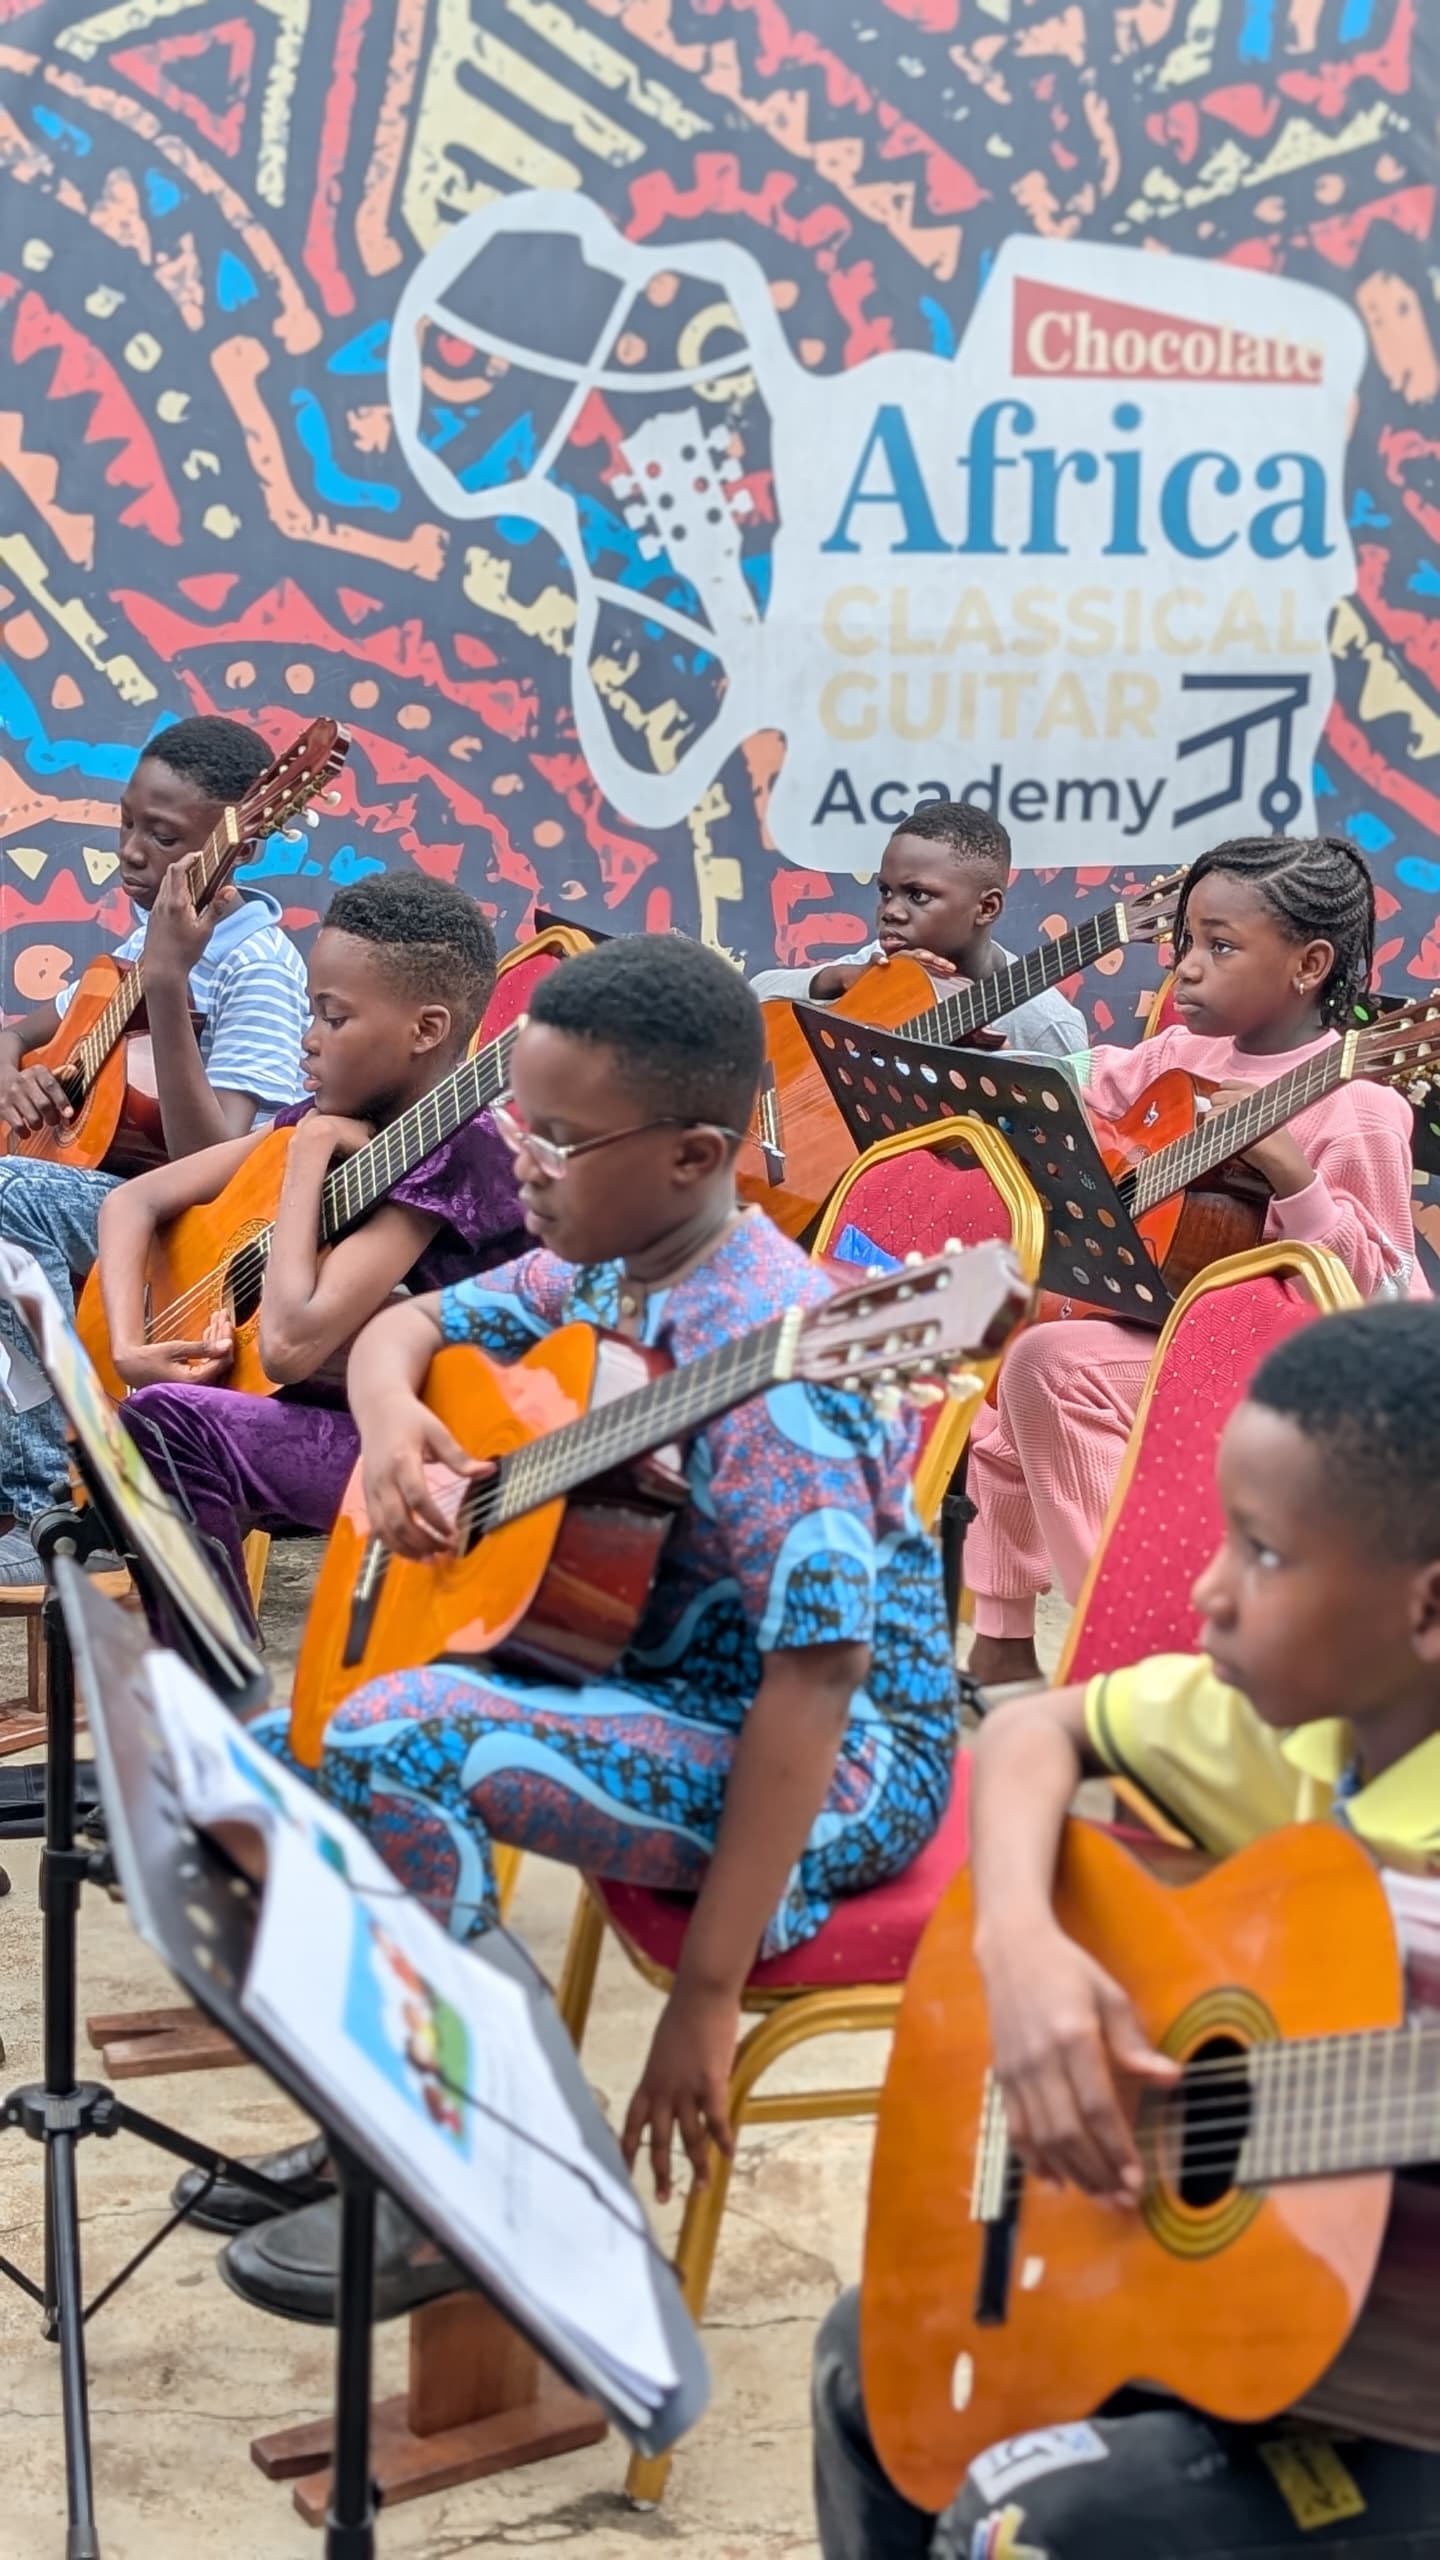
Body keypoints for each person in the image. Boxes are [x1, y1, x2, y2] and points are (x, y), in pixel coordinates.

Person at [189, 935, 959, 2320]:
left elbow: (817, 1679)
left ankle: (487, 2164)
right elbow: (406, 1330)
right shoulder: (613, 1262)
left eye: (556, 1139)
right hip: (664, 1677)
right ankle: (392, 2104)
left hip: (838, 1761)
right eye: (518, 1128)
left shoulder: (780, 1373)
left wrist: (706, 1995)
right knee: (275, 1755)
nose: (523, 1167)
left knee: (394, 1739)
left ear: (693, 1154)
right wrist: (392, 1433)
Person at [813, 1296, 1440, 2559]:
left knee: (1032, 2519)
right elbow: (1034, 1734)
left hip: (1400, 2386)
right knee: (867, 2360)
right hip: (1245, 2311)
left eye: (1263, 1554)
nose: (1207, 1589)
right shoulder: (1295, 1720)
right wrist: (1023, 1953)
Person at [966, 831, 1427, 1690]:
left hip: (1300, 1370)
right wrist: (994, 1070)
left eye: (1220, 946)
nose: (1185, 967)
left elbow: (1378, 1293)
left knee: (1053, 1364)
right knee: (1023, 1324)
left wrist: (1293, 1176)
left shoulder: (1357, 1106)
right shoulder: (1179, 1056)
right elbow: (1079, 1081)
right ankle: (1003, 1638)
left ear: (1309, 964)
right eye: (1184, 942)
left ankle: (1143, 1653)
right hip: (1175, 1328)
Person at [102, 874, 526, 1625]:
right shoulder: (325, 1115)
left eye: (334, 1017)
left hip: (459, 1458)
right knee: (154, 1423)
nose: (309, 1037)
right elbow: (131, 1202)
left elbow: (290, 1346)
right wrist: (131, 1348)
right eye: (311, 1012)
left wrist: (307, 1154)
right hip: (362, 1421)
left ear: (426, 1029)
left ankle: (214, 1685)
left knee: (170, 1427)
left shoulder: (456, 1151)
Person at [0, 715, 309, 1577]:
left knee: (8, 1197)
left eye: (163, 837)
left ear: (237, 849)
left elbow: (218, 1166)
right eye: (126, 822)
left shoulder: (257, 969)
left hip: (190, 1233)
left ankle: (60, 1508)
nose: (131, 852)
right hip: (105, 1203)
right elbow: (20, 1033)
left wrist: (170, 981)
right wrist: (12, 1078)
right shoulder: (139, 942)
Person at [749, 799, 1086, 1057]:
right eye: (885, 892)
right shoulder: (884, 965)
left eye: (918, 895)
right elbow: (755, 997)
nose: (890, 912)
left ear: (986, 908)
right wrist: (840, 979)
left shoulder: (1046, 1026)